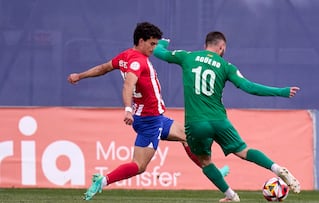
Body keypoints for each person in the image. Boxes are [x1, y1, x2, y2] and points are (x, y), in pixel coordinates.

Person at [67, 22, 229, 201]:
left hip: (154, 117)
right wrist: (127, 109)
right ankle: (103, 181)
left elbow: (104, 68)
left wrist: (79, 76)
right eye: (152, 44)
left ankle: (213, 173)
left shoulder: (125, 56)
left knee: (186, 135)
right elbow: (129, 83)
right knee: (139, 165)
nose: (154, 48)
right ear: (141, 41)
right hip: (149, 120)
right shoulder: (138, 61)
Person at [153, 31, 301, 202]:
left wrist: (163, 43)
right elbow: (249, 87)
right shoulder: (226, 66)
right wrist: (281, 92)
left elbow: (158, 52)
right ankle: (276, 168)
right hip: (219, 120)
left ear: (205, 45)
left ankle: (231, 195)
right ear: (221, 47)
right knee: (243, 151)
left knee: (204, 161)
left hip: (196, 122)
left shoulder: (187, 57)